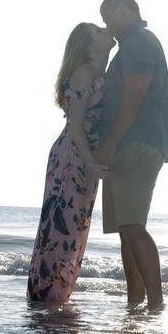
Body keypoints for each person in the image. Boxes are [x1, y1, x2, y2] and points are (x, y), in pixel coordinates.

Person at [27, 22, 115, 302]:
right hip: (72, 158)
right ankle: (47, 300)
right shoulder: (84, 73)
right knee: (60, 231)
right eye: (100, 31)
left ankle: (55, 297)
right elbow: (76, 125)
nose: (107, 30)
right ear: (89, 46)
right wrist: (90, 163)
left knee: (73, 229)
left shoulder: (97, 71)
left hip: (81, 157)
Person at [96, 0, 168, 308]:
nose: (107, 25)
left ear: (124, 9)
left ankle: (155, 304)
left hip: (135, 145)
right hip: (126, 146)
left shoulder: (140, 41)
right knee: (126, 229)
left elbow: (135, 93)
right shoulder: (128, 47)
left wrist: (111, 142)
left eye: (107, 16)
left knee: (132, 226)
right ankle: (134, 303)